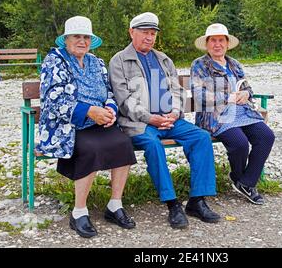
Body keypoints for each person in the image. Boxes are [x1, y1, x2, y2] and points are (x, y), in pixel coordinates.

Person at [109, 12, 220, 229]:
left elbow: (177, 91)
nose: (149, 38)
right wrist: (151, 118)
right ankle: (172, 204)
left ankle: (197, 200)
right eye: (144, 33)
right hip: (139, 123)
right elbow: (124, 101)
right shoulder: (119, 61)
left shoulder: (163, 59)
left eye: (152, 34)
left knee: (201, 137)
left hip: (169, 120)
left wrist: (175, 113)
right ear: (132, 32)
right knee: (153, 145)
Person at [35, 16, 137, 238]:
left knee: (123, 144)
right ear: (66, 40)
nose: (82, 41)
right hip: (69, 126)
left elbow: (109, 92)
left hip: (99, 122)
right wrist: (89, 111)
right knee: (90, 149)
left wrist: (109, 109)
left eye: (86, 37)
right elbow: (53, 100)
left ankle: (114, 205)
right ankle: (79, 211)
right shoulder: (55, 60)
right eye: (76, 36)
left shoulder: (97, 62)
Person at [191, 23, 275, 205]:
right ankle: (238, 177)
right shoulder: (199, 65)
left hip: (243, 113)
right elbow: (199, 95)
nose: (217, 44)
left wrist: (246, 94)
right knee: (240, 143)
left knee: (266, 136)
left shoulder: (234, 64)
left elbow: (247, 88)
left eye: (221, 40)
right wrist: (227, 97)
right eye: (213, 40)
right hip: (216, 116)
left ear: (227, 43)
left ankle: (246, 182)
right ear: (207, 44)